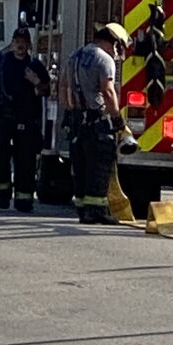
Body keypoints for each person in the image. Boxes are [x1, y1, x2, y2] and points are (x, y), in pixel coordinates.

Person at [0, 22, 50, 214]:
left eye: (24, 42)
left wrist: (35, 82)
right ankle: (3, 193)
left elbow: (46, 90)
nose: (20, 45)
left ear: (29, 45)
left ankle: (24, 200)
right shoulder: (2, 61)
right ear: (12, 43)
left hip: (26, 118)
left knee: (25, 160)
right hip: (3, 116)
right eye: (17, 41)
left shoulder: (35, 65)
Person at [62, 21, 128, 224]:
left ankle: (83, 209)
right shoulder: (104, 59)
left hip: (77, 119)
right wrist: (117, 119)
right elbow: (107, 91)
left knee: (80, 166)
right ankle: (97, 211)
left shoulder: (75, 56)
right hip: (96, 120)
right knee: (99, 166)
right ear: (114, 42)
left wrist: (68, 110)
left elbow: (63, 85)